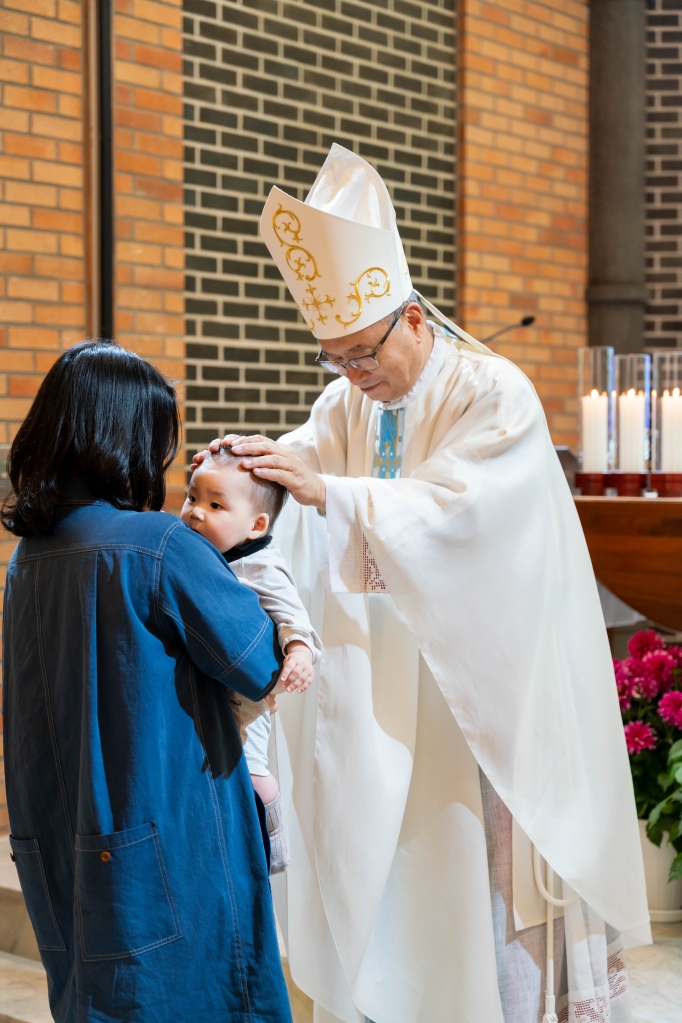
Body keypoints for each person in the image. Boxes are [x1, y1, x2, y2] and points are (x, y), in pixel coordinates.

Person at [194, 145, 651, 1023]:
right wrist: (253, 471)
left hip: (478, 697)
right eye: (335, 359)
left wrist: (335, 491)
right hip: (382, 706)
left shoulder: (494, 392)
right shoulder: (349, 402)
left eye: (363, 353)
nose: (354, 376)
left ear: (409, 318)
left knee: (476, 899)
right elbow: (303, 479)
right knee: (392, 892)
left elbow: (470, 520)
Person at [2, 341, 292, 1023]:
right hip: (167, 842)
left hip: (62, 835)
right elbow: (259, 661)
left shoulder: (29, 556)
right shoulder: (158, 545)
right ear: (126, 436)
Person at [180, 446, 321, 872]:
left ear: (256, 525)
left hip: (249, 696)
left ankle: (274, 844)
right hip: (209, 684)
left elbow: (292, 615)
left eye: (216, 504)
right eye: (192, 497)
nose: (196, 512)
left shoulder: (260, 566)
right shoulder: (201, 552)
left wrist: (299, 651)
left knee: (252, 767)